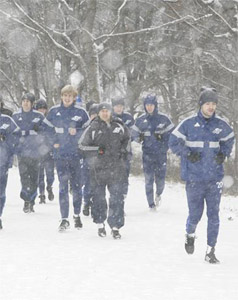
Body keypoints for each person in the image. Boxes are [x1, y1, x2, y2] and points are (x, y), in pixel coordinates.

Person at [169, 87, 235, 264]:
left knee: (213, 216)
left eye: (213, 104)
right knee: (195, 214)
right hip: (194, 178)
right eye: (208, 104)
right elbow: (172, 141)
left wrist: (225, 152)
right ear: (201, 105)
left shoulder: (221, 125)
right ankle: (190, 234)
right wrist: (187, 153)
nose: (211, 107)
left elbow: (230, 137)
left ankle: (210, 250)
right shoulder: (188, 124)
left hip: (215, 179)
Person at [79, 102, 130, 239]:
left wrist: (125, 152)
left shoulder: (119, 125)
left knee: (117, 198)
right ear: (98, 113)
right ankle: (100, 224)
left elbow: (127, 141)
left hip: (116, 168)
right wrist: (97, 151)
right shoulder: (92, 127)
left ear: (111, 112)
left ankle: (115, 227)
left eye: (107, 111)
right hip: (98, 169)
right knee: (99, 198)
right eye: (102, 111)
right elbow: (82, 146)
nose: (105, 113)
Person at [43, 85, 89, 231]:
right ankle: (64, 219)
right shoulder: (54, 111)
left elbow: (89, 131)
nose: (67, 98)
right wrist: (53, 143)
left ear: (74, 97)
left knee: (76, 187)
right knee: (63, 187)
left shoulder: (81, 112)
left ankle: (76, 215)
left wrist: (78, 131)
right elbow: (46, 130)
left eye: (70, 96)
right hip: (60, 155)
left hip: (76, 156)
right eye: (65, 95)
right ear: (61, 96)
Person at [131, 95, 174, 210]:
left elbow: (173, 135)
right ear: (145, 106)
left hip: (161, 155)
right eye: (147, 105)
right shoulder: (140, 120)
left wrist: (164, 139)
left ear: (155, 106)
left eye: (151, 105)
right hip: (147, 154)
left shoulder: (164, 119)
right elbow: (133, 134)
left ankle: (159, 193)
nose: (149, 107)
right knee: (148, 179)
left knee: (160, 180)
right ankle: (151, 204)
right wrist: (139, 138)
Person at [12, 93, 46, 213]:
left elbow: (47, 132)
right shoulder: (16, 116)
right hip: (22, 152)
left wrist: (39, 131)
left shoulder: (39, 116)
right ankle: (26, 200)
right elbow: (12, 133)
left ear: (32, 103)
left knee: (34, 178)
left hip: (36, 152)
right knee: (24, 177)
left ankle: (32, 199)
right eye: (24, 101)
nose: (25, 103)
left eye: (28, 101)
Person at [0, 112, 20, 229]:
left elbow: (16, 138)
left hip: (2, 163)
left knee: (1, 191)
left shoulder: (7, 120)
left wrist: (4, 138)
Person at [112, 97, 134, 198]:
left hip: (126, 152)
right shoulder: (109, 117)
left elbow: (134, 133)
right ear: (113, 107)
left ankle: (123, 195)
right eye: (116, 106)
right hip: (113, 152)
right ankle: (116, 198)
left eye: (121, 106)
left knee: (125, 175)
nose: (119, 108)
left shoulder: (129, 117)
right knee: (114, 177)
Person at [35, 99, 55, 204]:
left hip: (48, 151)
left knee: (50, 174)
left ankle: (49, 187)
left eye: (43, 109)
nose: (41, 111)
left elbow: (53, 135)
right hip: (38, 152)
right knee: (40, 175)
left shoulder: (49, 120)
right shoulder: (34, 120)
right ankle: (41, 194)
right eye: (39, 109)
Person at [82, 103, 98, 216]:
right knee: (88, 183)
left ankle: (95, 204)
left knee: (98, 184)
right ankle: (87, 202)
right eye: (93, 114)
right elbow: (81, 144)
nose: (95, 116)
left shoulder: (104, 127)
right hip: (87, 159)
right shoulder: (85, 126)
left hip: (100, 161)